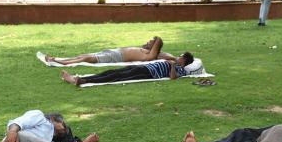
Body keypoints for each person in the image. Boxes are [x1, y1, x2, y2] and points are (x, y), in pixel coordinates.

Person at [61, 53, 195, 87]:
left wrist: (172, 65)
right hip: (144, 67)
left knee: (117, 77)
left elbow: (173, 78)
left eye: (181, 57)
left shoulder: (181, 70)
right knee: (113, 72)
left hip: (148, 74)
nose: (178, 57)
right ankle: (81, 79)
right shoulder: (174, 60)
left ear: (184, 61)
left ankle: (83, 80)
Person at [43, 37, 175, 65]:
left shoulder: (150, 56)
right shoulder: (147, 52)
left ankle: (59, 61)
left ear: (155, 47)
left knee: (86, 59)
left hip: (116, 57)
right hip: (114, 52)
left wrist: (156, 41)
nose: (148, 42)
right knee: (84, 55)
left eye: (150, 42)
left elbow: (169, 56)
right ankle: (59, 59)